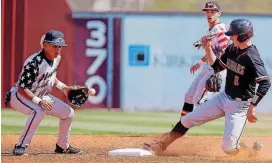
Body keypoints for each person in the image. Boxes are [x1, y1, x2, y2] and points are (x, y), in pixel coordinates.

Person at [143, 19, 271, 157]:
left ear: (242, 36)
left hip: (240, 106)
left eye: (232, 34)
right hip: (224, 98)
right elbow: (217, 67)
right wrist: (208, 48)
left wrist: (252, 106)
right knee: (187, 119)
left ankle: (251, 153)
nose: (230, 37)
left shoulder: (252, 57)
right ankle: (162, 145)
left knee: (228, 148)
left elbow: (265, 83)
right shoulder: (232, 49)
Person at [5, 30, 84, 156]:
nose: (57, 49)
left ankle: (62, 146)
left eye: (60, 46)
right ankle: (20, 146)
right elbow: (22, 88)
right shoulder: (33, 62)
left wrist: (64, 88)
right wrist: (39, 102)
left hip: (40, 95)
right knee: (38, 111)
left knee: (68, 113)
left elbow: (50, 77)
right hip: (19, 96)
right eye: (54, 45)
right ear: (45, 44)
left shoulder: (56, 58)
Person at [181, 1, 230, 117]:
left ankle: (228, 109)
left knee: (198, 101)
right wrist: (199, 63)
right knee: (189, 97)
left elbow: (227, 51)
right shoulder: (211, 30)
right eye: (207, 11)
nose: (209, 14)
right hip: (207, 67)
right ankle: (179, 129)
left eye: (213, 12)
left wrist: (219, 70)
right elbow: (213, 51)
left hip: (215, 68)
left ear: (219, 13)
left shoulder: (220, 29)